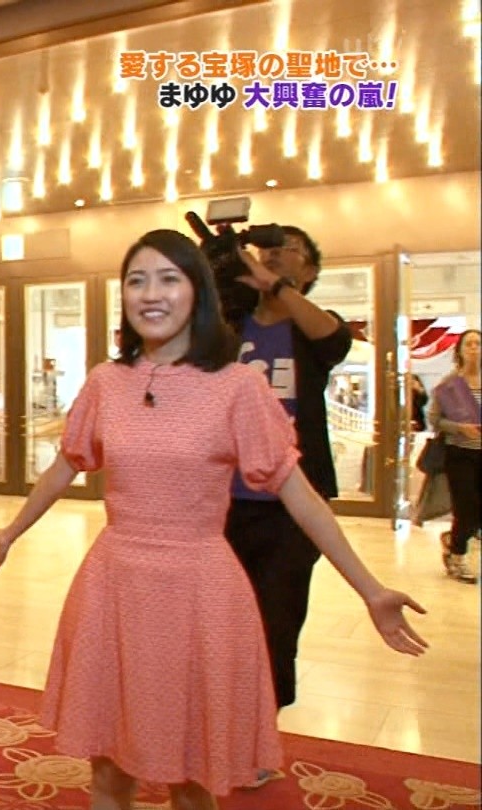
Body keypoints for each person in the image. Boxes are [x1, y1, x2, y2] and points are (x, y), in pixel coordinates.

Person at [0, 229, 427, 810]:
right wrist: (13, 530)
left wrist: (370, 590)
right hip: (115, 583)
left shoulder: (238, 386)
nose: (151, 293)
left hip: (199, 589)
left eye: (169, 279)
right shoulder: (105, 382)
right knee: (108, 767)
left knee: (192, 776)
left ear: (198, 293)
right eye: (137, 280)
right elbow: (67, 463)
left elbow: (301, 496)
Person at [221, 226, 353, 751]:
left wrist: (274, 285)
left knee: (277, 619)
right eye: (266, 248)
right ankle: (218, 721)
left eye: (288, 248)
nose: (273, 254)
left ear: (311, 270)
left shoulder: (314, 328)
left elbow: (334, 341)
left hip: (293, 504)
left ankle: (259, 736)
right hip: (223, 498)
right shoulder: (231, 327)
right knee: (222, 619)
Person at [428, 328, 482, 584]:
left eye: (478, 343)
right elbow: (434, 419)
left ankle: (453, 539)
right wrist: (460, 428)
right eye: (469, 344)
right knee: (466, 508)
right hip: (460, 454)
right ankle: (457, 556)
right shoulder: (449, 385)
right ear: (459, 350)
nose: (474, 348)